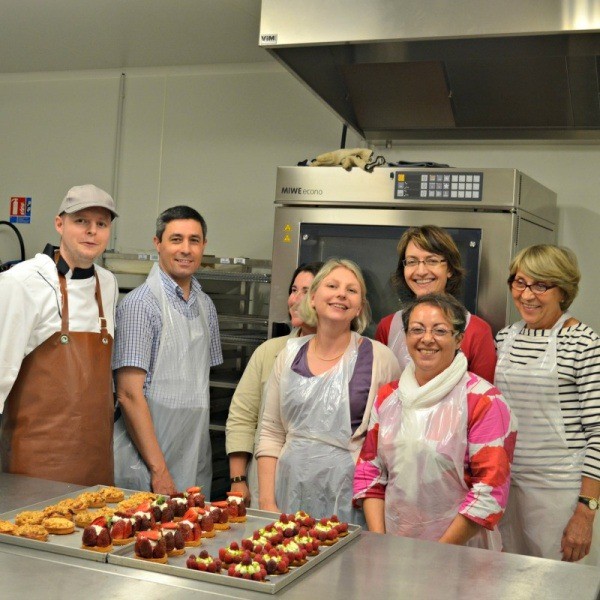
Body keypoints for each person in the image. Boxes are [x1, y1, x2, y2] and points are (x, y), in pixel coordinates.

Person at [355, 293, 516, 548]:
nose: (427, 339)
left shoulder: (484, 401)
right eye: (417, 329)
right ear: (406, 336)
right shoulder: (388, 397)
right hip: (394, 546)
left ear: (459, 338)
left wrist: (436, 552)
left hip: (461, 550)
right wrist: (380, 541)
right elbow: (370, 473)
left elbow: (489, 492)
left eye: (440, 330)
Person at [256, 258, 401, 523]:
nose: (341, 294)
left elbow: (387, 446)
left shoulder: (381, 359)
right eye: (332, 285)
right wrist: (267, 501)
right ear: (312, 299)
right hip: (288, 489)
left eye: (352, 290)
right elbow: (270, 431)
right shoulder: (287, 357)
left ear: (359, 307)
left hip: (349, 497)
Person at [0, 184, 118, 486]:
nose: (92, 231)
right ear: (59, 224)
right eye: (81, 221)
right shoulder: (21, 283)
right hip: (34, 467)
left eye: (101, 224)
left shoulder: (108, 284)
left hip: (96, 467)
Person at [495, 244, 600, 563]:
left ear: (563, 290)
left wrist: (586, 510)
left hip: (558, 493)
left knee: (556, 584)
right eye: (520, 282)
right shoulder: (504, 339)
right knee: (505, 577)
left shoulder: (584, 342)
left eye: (541, 285)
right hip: (504, 487)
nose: (527, 295)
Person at [112, 205, 222, 496]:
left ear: (204, 247)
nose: (185, 249)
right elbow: (128, 394)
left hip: (193, 455)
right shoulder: (140, 305)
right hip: (146, 465)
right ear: (157, 243)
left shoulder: (206, 306)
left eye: (194, 240)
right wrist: (158, 470)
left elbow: (197, 389)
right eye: (176, 239)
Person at [226, 262, 323, 506]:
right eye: (293, 290)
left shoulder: (353, 356)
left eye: (307, 292)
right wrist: (238, 479)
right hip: (266, 481)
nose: (295, 300)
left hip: (320, 483)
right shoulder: (269, 352)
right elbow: (242, 416)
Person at [375, 225, 496, 383]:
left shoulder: (477, 331)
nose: (421, 271)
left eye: (432, 261)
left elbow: (483, 398)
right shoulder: (387, 327)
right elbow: (380, 389)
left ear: (450, 269)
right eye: (412, 262)